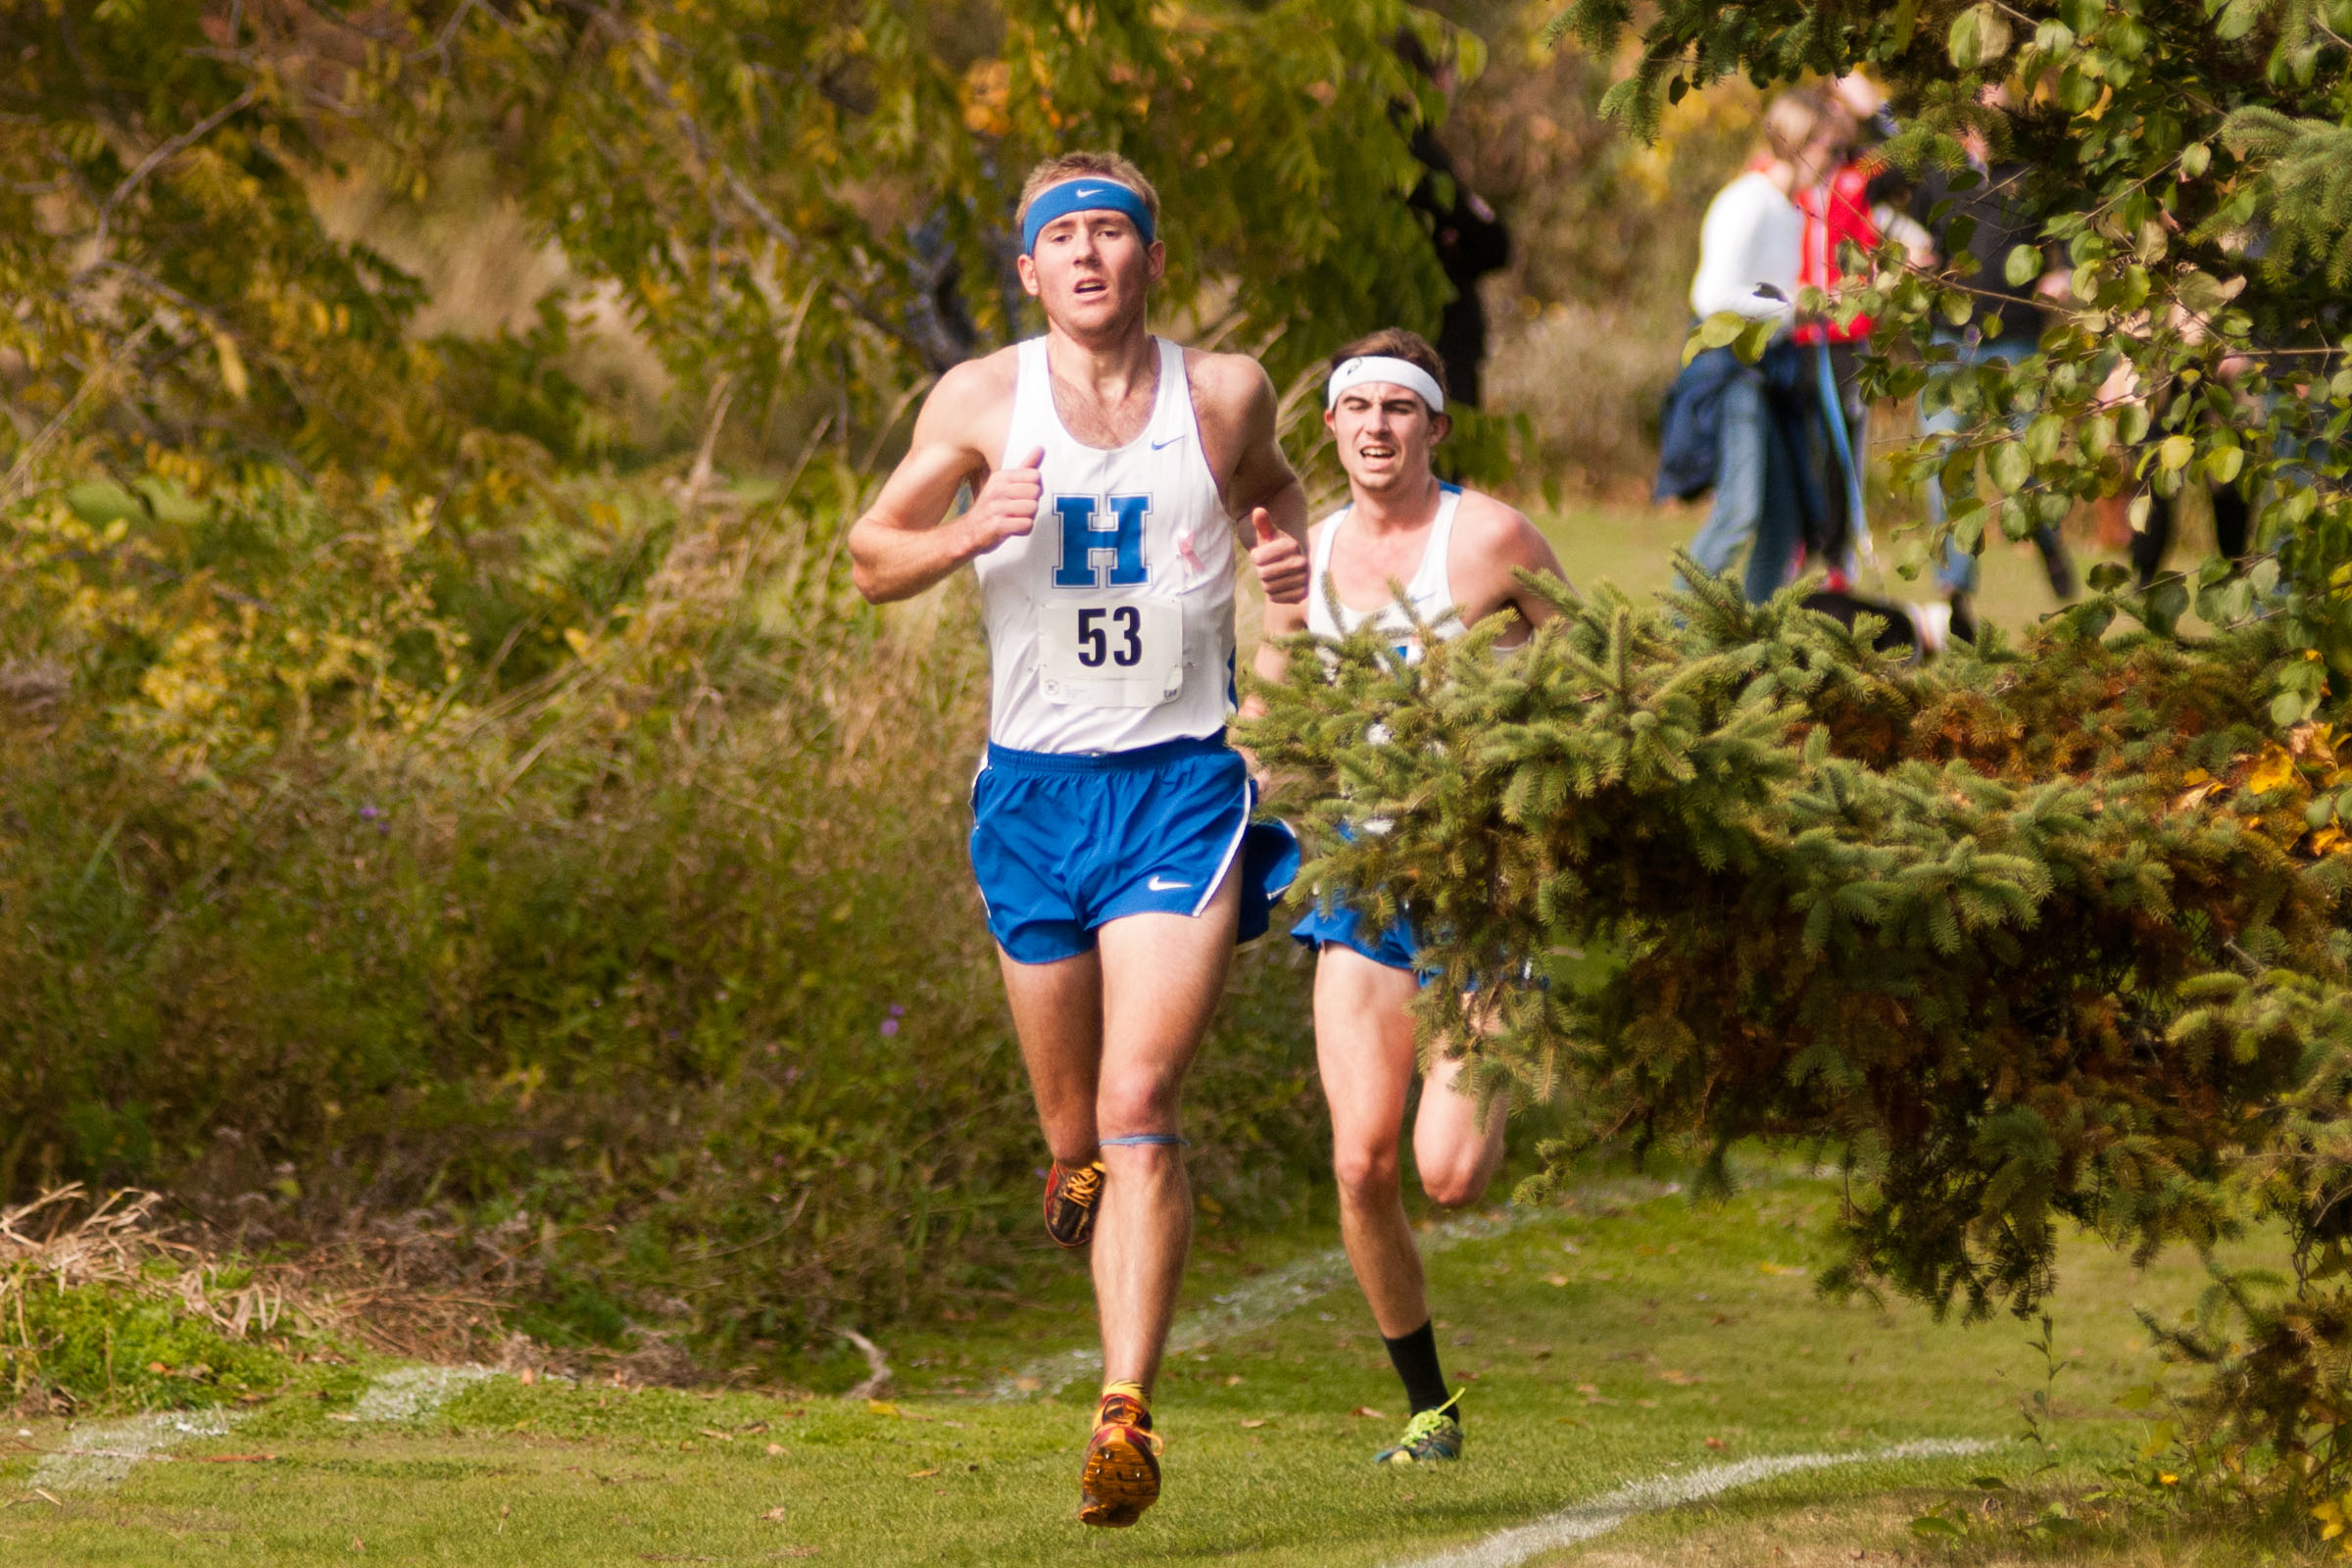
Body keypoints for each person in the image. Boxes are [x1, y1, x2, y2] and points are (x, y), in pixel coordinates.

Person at [847, 151, 1311, 1529]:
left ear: (1153, 260)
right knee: (1078, 1131)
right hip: (1033, 797)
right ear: (1030, 266)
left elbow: (1277, 502)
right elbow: (871, 553)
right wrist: (967, 531)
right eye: (1070, 239)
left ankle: (1124, 1416)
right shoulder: (981, 399)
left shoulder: (1221, 392)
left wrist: (1282, 592)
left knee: (1141, 1100)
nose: (1094, 256)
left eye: (1117, 233)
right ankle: (1069, 1167)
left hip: (1179, 786)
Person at [1253, 327, 1569, 1466]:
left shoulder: (1488, 538)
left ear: (1436, 426)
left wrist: (1532, 759)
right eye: (1358, 408)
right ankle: (1430, 1412)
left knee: (1452, 1173)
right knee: (1359, 1163)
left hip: (1479, 886)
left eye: (1401, 408)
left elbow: (1589, 671)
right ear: (1329, 426)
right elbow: (1282, 713)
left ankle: (1524, 1003)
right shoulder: (1305, 549)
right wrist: (1247, 789)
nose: (1377, 428)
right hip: (1365, 885)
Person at [1909, 89, 2079, 635]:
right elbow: (1906, 223)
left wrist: (2065, 271)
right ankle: (1955, 593)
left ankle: (2046, 540)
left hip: (2017, 342)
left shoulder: (2029, 171)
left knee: (2022, 468)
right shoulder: (1937, 171)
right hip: (1948, 343)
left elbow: (2069, 229)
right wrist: (1913, 253)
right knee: (1946, 463)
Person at [1669, 90, 1849, 602]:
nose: (1834, 165)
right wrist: (1796, 307)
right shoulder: (1746, 201)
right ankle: (1676, 630)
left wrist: (1813, 308)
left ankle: (1756, 636)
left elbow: (1777, 302)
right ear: (1799, 143)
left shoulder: (1790, 212)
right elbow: (1711, 295)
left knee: (1786, 520)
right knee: (1740, 510)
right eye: (1830, 151)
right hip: (1730, 370)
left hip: (1773, 370)